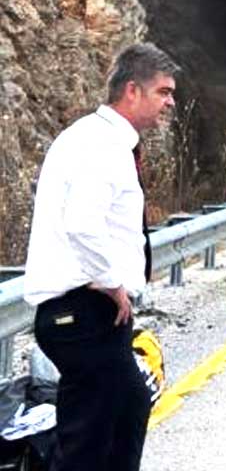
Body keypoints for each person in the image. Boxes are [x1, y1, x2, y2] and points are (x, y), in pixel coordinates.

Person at [23, 43, 179, 471]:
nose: (170, 102)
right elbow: (81, 224)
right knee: (88, 444)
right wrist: (112, 282)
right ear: (133, 90)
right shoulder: (102, 146)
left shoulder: (97, 138)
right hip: (82, 313)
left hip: (88, 314)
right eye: (163, 92)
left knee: (127, 409)